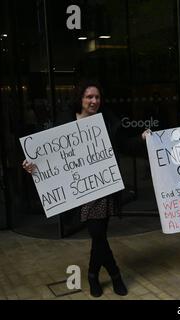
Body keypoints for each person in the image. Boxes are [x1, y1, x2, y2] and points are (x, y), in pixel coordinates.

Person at [22, 80, 128, 298]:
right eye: (89, 97)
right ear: (80, 98)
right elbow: (49, 154)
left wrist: (143, 138)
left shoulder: (107, 120)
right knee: (98, 235)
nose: (94, 101)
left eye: (97, 97)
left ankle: (95, 275)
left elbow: (125, 145)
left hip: (103, 186)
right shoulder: (65, 121)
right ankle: (111, 274)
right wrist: (32, 165)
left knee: (99, 234)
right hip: (79, 189)